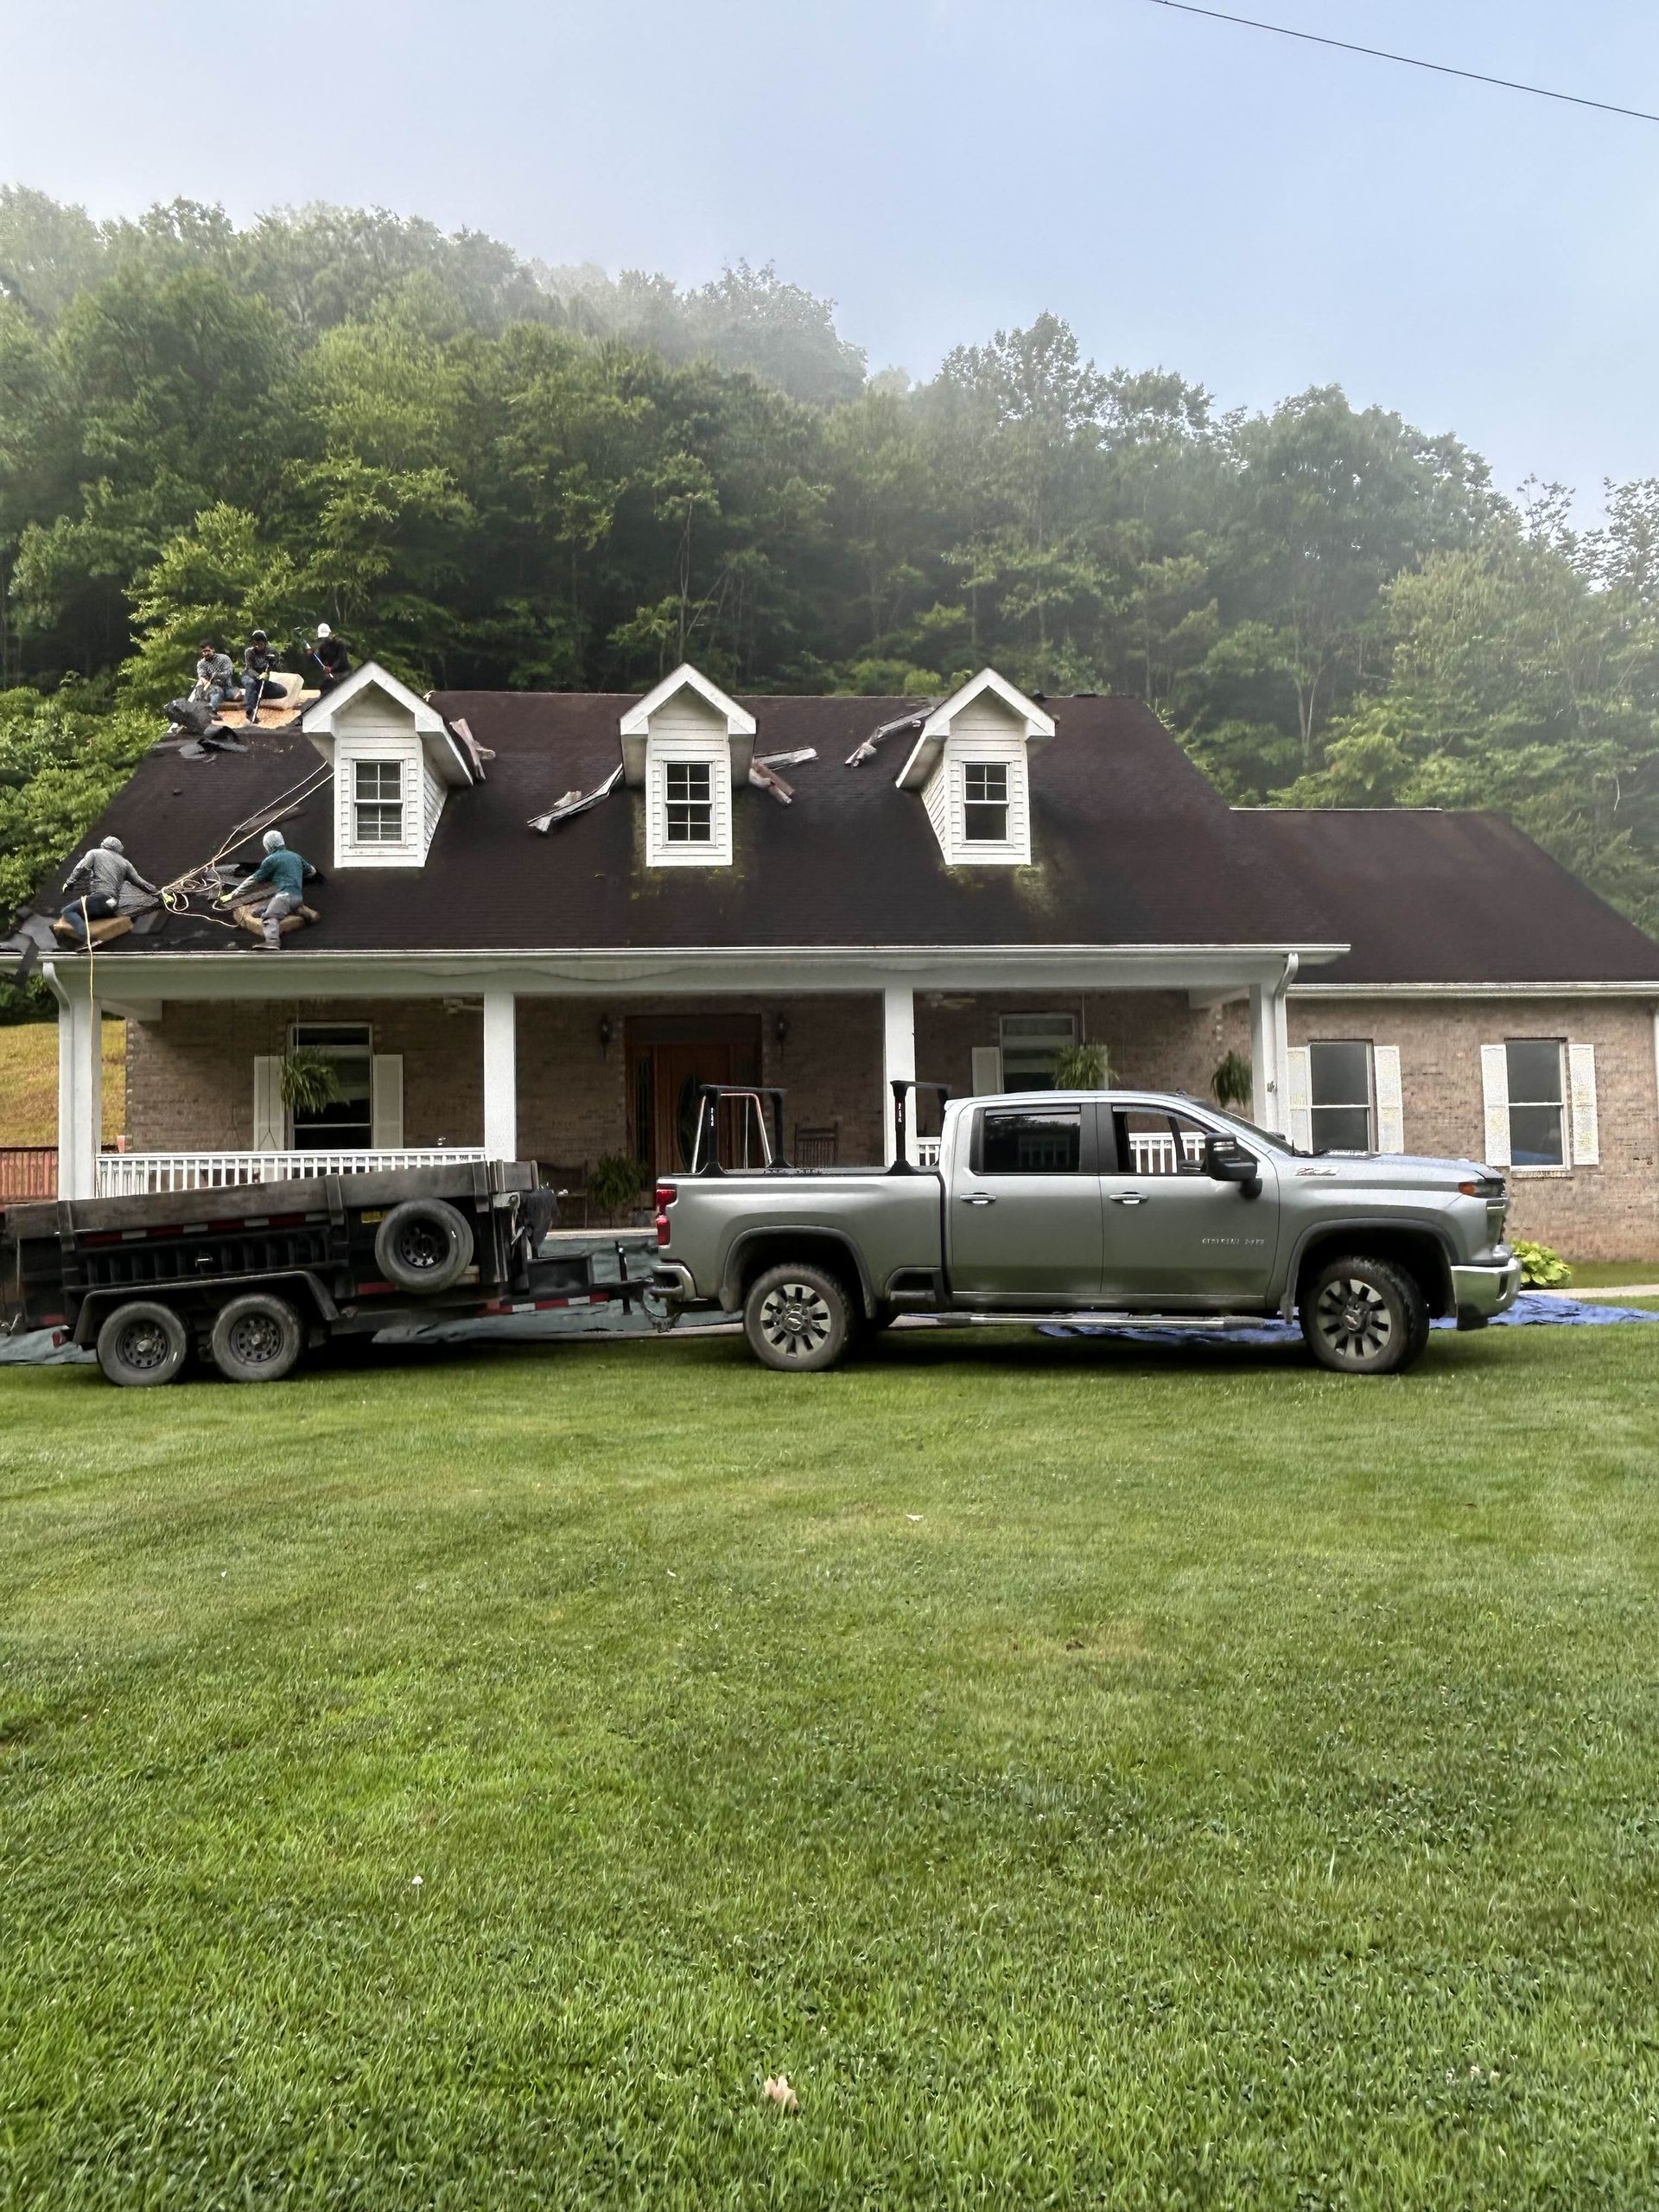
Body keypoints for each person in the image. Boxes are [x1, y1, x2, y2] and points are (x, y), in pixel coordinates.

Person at [218, 829, 321, 950]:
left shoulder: (271, 860)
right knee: (262, 910)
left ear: (268, 845)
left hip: (284, 897)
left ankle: (272, 942)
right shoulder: (295, 856)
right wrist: (295, 873)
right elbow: (312, 871)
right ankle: (300, 911)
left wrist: (232, 895)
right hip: (297, 897)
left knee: (269, 916)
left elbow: (252, 881)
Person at [59, 836, 156, 939]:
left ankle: (85, 937)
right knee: (89, 916)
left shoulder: (95, 853)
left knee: (68, 911)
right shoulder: (125, 863)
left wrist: (69, 883)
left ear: (104, 844)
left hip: (100, 899)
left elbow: (81, 868)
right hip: (112, 905)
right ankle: (101, 933)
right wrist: (158, 894)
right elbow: (140, 882)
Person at [241, 631, 284, 723]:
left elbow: (279, 668)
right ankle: (250, 712)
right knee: (250, 683)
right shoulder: (249, 652)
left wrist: (273, 663)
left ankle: (257, 693)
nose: (257, 644)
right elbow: (249, 668)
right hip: (249, 677)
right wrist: (258, 676)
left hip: (263, 680)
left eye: (260, 642)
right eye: (255, 642)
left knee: (282, 691)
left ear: (264, 642)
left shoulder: (272, 651)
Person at [192, 641, 235, 714]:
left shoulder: (224, 658)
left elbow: (229, 672)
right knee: (208, 690)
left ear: (213, 650)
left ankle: (212, 707)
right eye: (204, 652)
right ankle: (209, 710)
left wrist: (218, 675)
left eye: (208, 651)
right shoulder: (201, 663)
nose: (206, 654)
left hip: (226, 686)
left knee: (237, 695)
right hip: (211, 688)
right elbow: (202, 676)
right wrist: (206, 681)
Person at [310, 622, 352, 696]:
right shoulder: (323, 647)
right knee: (324, 688)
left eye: (326, 637)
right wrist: (312, 655)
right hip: (332, 674)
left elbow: (341, 659)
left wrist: (331, 668)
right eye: (323, 638)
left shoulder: (339, 644)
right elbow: (322, 663)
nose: (325, 639)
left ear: (330, 634)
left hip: (344, 672)